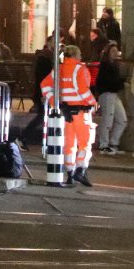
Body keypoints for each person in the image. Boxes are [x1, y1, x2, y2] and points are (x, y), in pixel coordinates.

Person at [41, 43, 97, 187]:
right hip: (81, 112)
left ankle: (70, 174)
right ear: (76, 55)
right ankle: (80, 169)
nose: (81, 57)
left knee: (69, 144)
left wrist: (55, 102)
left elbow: (45, 86)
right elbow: (83, 90)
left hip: (65, 113)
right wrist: (93, 102)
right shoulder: (80, 69)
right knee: (85, 144)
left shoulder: (58, 69)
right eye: (80, 55)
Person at [94, 42, 127, 154]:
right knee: (107, 120)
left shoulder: (115, 65)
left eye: (116, 51)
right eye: (113, 51)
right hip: (107, 94)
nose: (115, 53)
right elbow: (107, 82)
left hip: (113, 93)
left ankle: (113, 143)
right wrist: (121, 83)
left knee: (122, 119)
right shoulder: (105, 66)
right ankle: (103, 144)